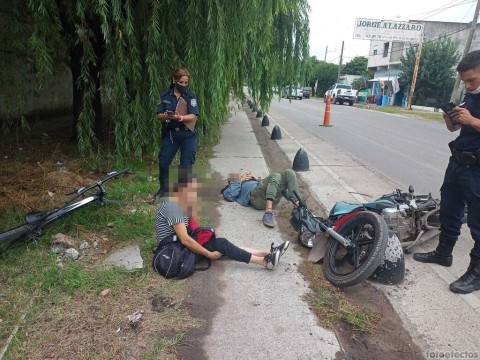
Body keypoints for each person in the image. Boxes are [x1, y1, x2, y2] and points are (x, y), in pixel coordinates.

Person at [413, 50, 480, 294]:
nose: (468, 85)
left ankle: (476, 273)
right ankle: (443, 253)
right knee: (450, 211)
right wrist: (450, 119)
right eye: (465, 81)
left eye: (472, 79)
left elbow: (472, 123)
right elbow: (455, 129)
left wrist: (473, 120)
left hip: (478, 170)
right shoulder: (470, 96)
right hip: (458, 164)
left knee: (477, 222)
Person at [155, 168, 290, 270]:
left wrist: (194, 210)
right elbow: (184, 239)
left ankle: (267, 253)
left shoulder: (181, 203)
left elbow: (195, 228)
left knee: (223, 245)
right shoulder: (173, 206)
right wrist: (208, 254)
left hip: (180, 245)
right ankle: (266, 261)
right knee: (222, 245)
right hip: (173, 251)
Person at [154, 68, 199, 199]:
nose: (184, 85)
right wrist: (167, 116)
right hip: (171, 135)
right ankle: (163, 189)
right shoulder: (165, 96)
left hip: (188, 135)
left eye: (186, 83)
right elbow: (159, 115)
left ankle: (183, 193)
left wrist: (181, 118)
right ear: (174, 80)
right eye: (181, 82)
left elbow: (193, 116)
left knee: (186, 165)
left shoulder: (191, 96)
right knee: (163, 162)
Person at [222, 169, 299, 228]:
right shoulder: (234, 186)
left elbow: (271, 184)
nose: (246, 175)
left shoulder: (253, 181)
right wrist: (240, 179)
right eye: (240, 176)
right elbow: (229, 195)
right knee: (276, 175)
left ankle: (298, 209)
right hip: (255, 198)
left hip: (269, 197)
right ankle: (268, 213)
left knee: (289, 172)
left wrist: (257, 180)